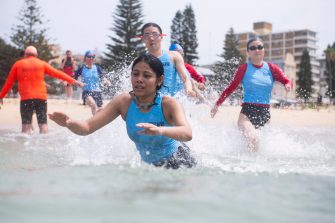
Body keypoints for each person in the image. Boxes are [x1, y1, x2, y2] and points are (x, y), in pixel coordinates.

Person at [49, 54, 196, 169]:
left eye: (147, 75)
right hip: (150, 167)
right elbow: (87, 128)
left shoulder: (168, 104)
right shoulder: (123, 102)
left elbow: (187, 134)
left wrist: (159, 130)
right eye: (135, 74)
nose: (139, 79)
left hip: (179, 162)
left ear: (159, 80)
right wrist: (69, 123)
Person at [210, 38, 292, 151]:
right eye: (253, 48)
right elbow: (230, 88)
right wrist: (217, 105)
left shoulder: (272, 68)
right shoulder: (243, 69)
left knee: (261, 147)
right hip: (247, 114)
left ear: (263, 50)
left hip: (265, 113)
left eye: (260, 47)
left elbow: (286, 80)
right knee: (254, 139)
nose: (257, 50)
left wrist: (287, 85)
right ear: (248, 52)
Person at [0, 46, 83, 134]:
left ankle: (25, 145)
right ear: (36, 55)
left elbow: (9, 82)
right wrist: (74, 81)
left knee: (26, 126)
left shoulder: (18, 64)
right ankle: (44, 143)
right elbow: (58, 74)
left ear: (25, 54)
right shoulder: (41, 63)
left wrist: (1, 96)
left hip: (26, 99)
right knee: (43, 124)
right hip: (41, 98)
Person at [140, 23, 196, 97]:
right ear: (143, 39)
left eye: (155, 34)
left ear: (161, 37)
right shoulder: (141, 61)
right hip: (151, 103)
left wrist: (189, 89)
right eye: (147, 35)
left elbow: (185, 78)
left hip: (172, 102)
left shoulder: (174, 56)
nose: (151, 38)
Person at [75, 50, 109, 115]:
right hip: (86, 92)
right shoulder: (81, 68)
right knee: (93, 104)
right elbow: (74, 79)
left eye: (93, 57)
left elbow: (103, 77)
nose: (91, 58)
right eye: (89, 56)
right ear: (85, 58)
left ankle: (96, 122)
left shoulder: (97, 68)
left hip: (97, 92)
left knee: (100, 110)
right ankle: (94, 122)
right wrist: (79, 83)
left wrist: (106, 80)